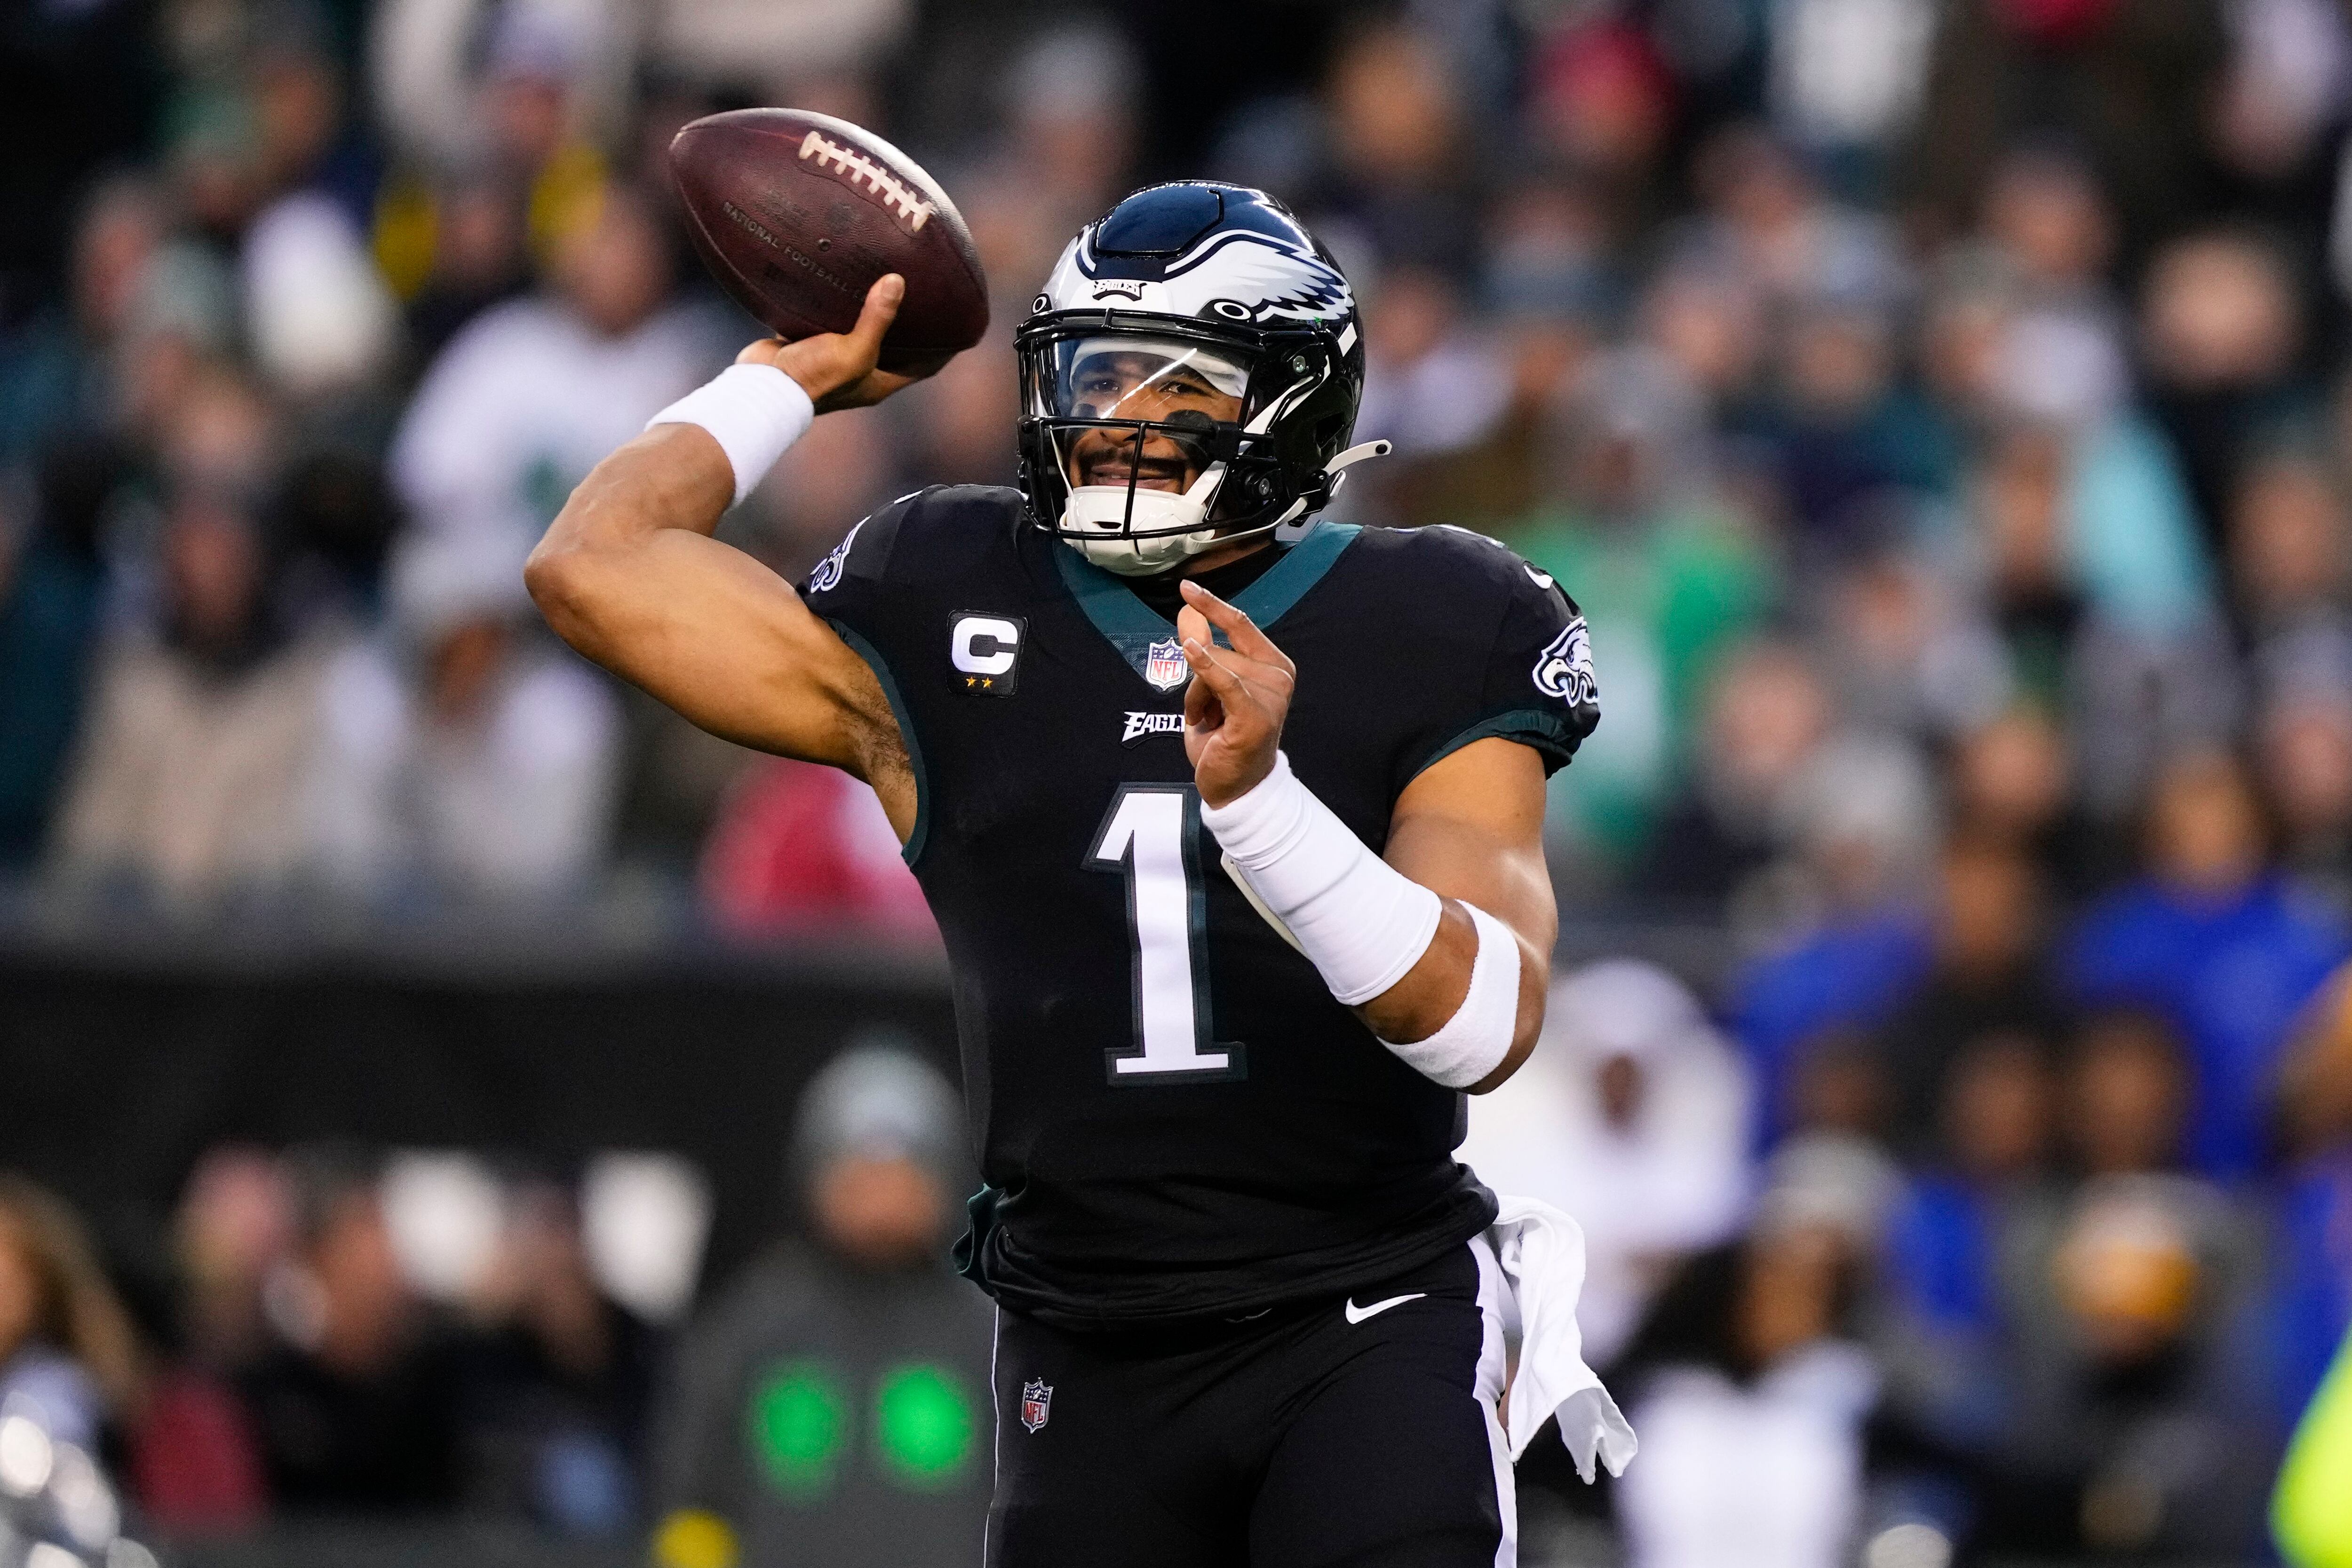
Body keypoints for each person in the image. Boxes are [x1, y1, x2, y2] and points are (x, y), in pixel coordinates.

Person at [528, 182, 1629, 1566]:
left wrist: (1266, 808)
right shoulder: (952, 588)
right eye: (1093, 374)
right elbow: (593, 564)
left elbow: (1479, 1025)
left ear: (1287, 402)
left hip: (1362, 1316)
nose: (1115, 418)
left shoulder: (1436, 613)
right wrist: (777, 383)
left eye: (1172, 385)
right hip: (1084, 1343)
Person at [649, 1045, 991, 1568]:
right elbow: (693, 1500)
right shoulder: (752, 1326)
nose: (881, 1195)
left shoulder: (988, 1334)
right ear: (814, 1177)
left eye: (904, 1169)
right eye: (860, 1171)